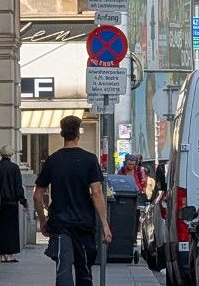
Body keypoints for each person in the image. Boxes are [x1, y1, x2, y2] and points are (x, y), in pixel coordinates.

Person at [34, 115, 112, 286]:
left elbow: (37, 195)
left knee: (63, 270)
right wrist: (105, 224)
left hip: (60, 223)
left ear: (62, 133)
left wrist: (43, 220)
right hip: (84, 223)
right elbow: (97, 192)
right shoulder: (89, 159)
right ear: (78, 134)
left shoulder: (52, 160)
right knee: (84, 271)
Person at [0, 145, 27, 263]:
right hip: (11, 202)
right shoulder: (14, 168)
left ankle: (1, 254)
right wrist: (23, 201)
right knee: (11, 230)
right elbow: (18, 186)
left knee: (1, 228)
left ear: (1, 153)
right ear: (11, 154)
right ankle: (9, 255)